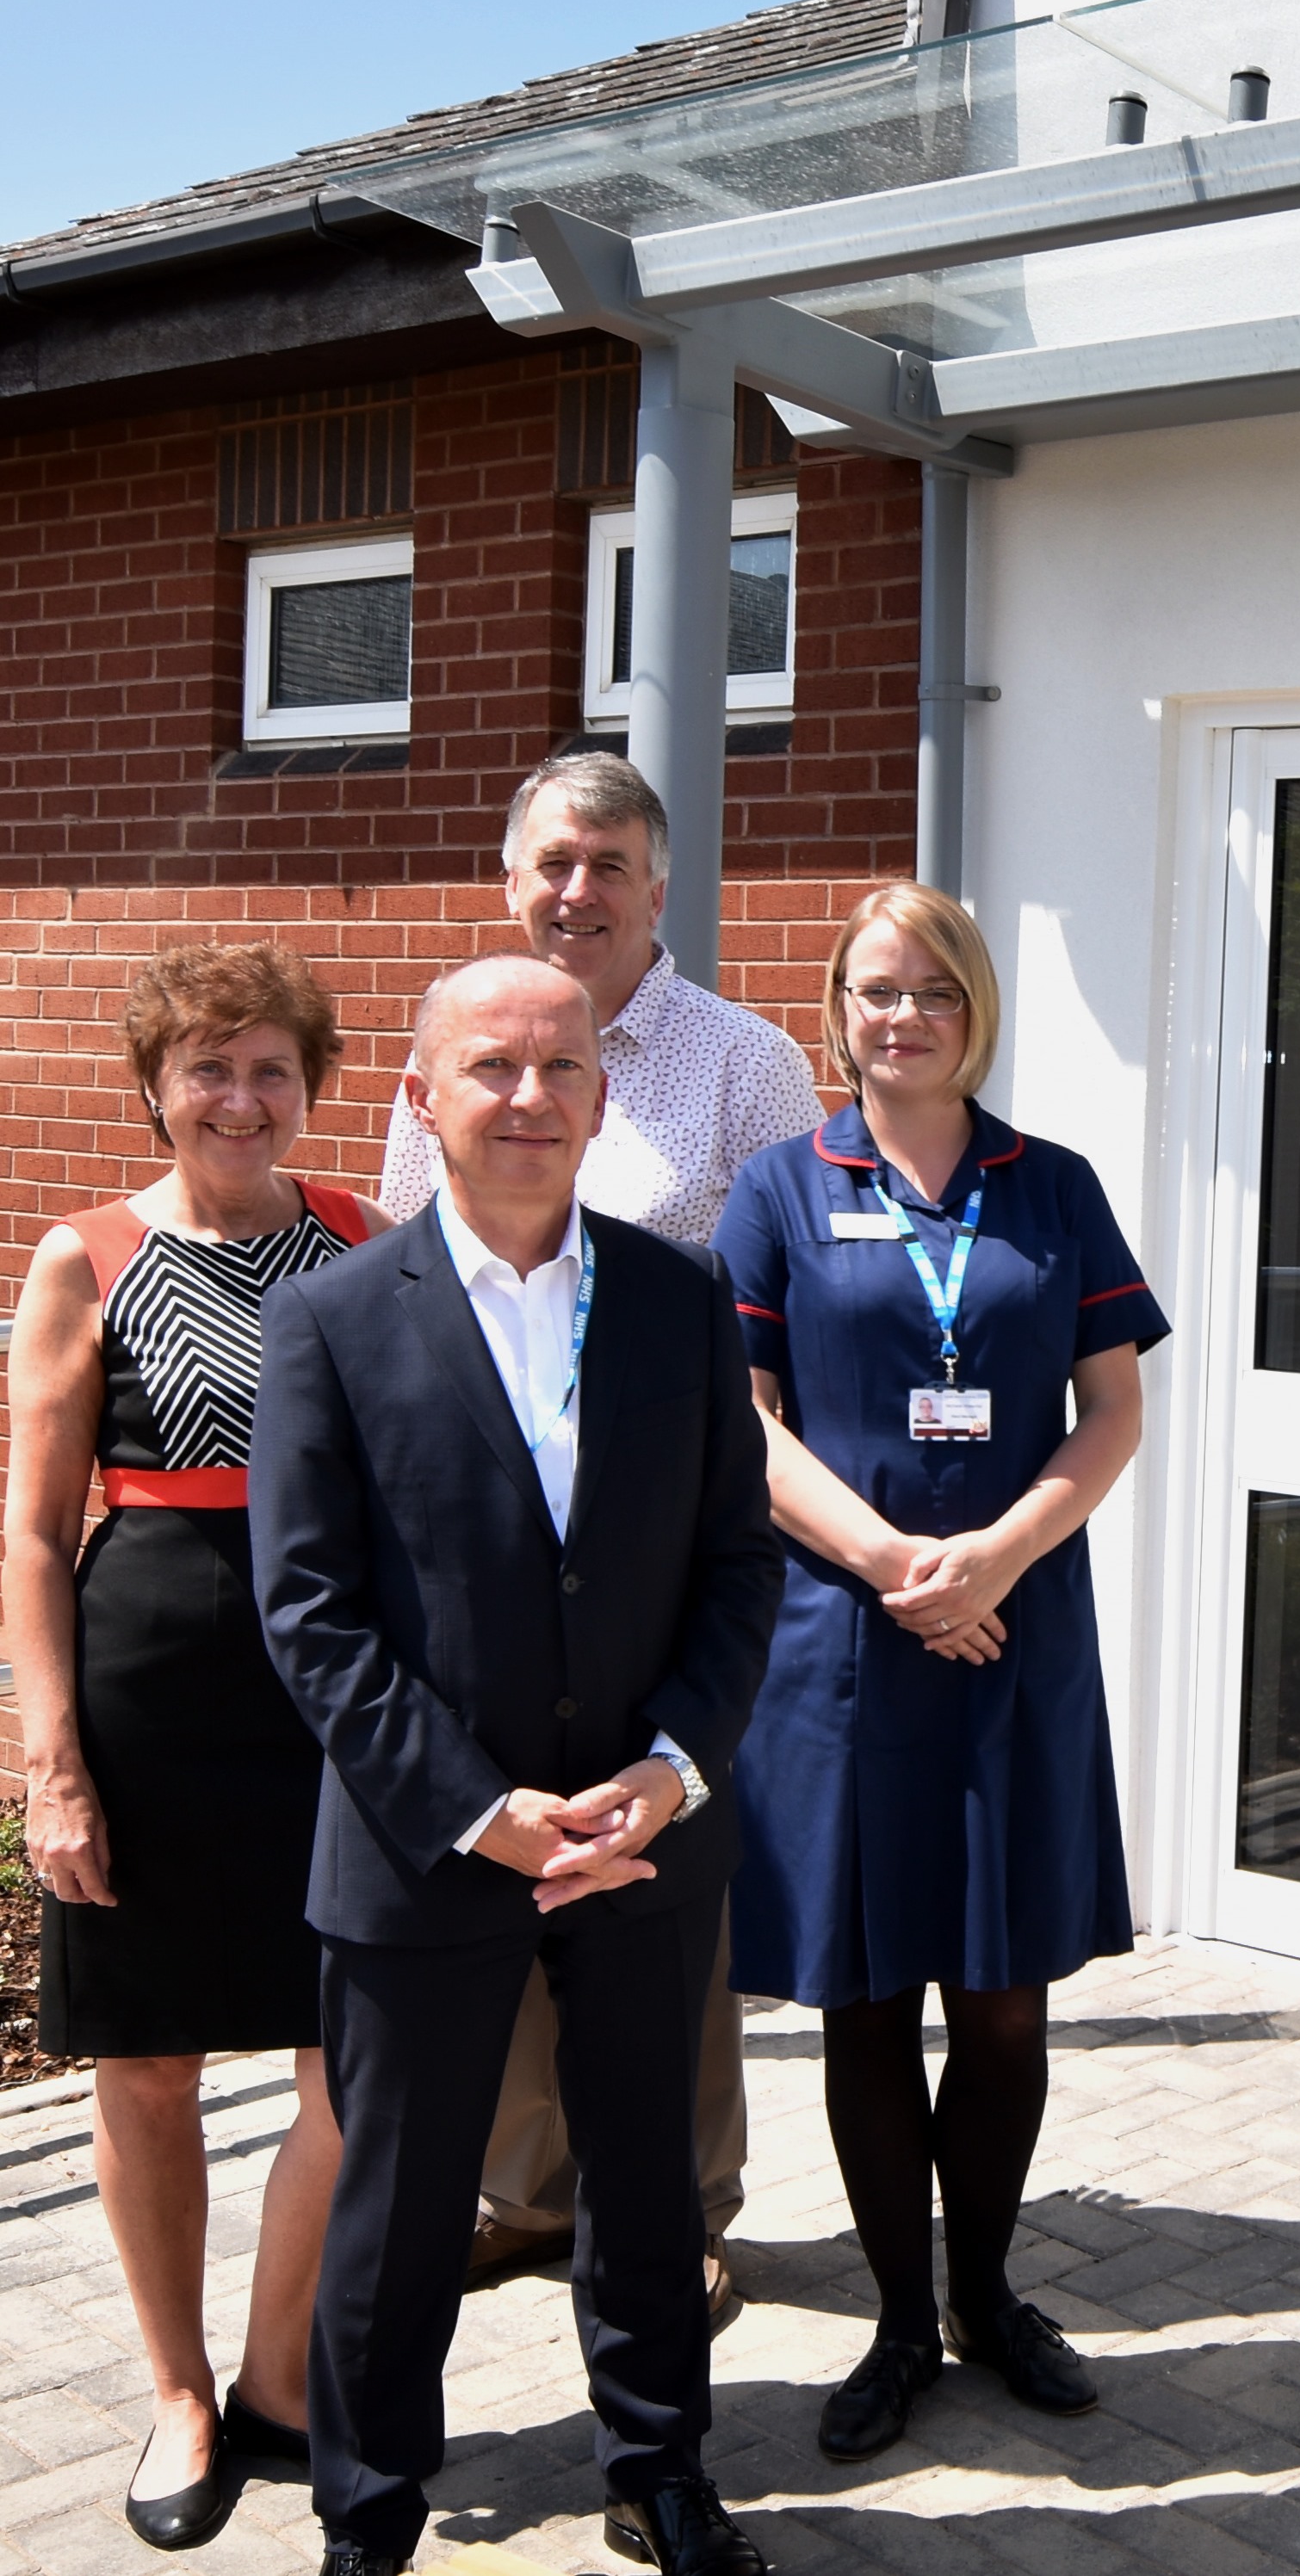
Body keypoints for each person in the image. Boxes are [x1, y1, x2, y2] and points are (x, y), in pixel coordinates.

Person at [252, 954, 784, 2576]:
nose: (532, 1096)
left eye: (563, 1068)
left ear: (603, 1099)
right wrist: (477, 1810)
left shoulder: (683, 1298)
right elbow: (312, 1610)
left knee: (644, 2178)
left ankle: (661, 2467)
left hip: (641, 1836)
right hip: (425, 1847)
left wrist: (674, 1774)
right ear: (424, 1097)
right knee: (404, 2202)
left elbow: (737, 1568)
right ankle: (373, 2504)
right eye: (491, 1067)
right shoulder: (334, 1316)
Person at [713, 883, 1167, 2460]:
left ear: (976, 1007)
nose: (899, 1016)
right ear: (835, 1009)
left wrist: (997, 1558)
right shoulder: (777, 1190)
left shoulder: (1054, 1188)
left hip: (1016, 1634)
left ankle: (988, 2290)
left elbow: (1108, 1408)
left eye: (931, 991)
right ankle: (900, 2321)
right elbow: (746, 1428)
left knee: (1003, 2000)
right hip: (845, 1645)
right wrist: (906, 1569)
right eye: (870, 990)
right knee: (864, 1995)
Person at [377, 751, 823, 2316]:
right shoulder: (461, 1037)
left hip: (654, 1544)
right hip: (490, 1542)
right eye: (554, 862)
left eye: (610, 865)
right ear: (515, 879)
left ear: (658, 886)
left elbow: (780, 1316)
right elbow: (402, 1283)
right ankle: (525, 2188)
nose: (579, 891)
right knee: (498, 1847)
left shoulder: (744, 1063)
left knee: (658, 1880)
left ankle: (681, 2201)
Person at [2, 948, 364, 2552]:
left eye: (272, 1068)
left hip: (330, 1689)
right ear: (157, 1081)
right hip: (147, 1675)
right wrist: (50, 1763)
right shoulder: (85, 1258)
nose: (240, 1097)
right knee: (147, 2066)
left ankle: (282, 2375)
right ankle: (176, 2396)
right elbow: (28, 1535)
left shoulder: (361, 1241)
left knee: (348, 2057)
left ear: (310, 1088)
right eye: (210, 1066)